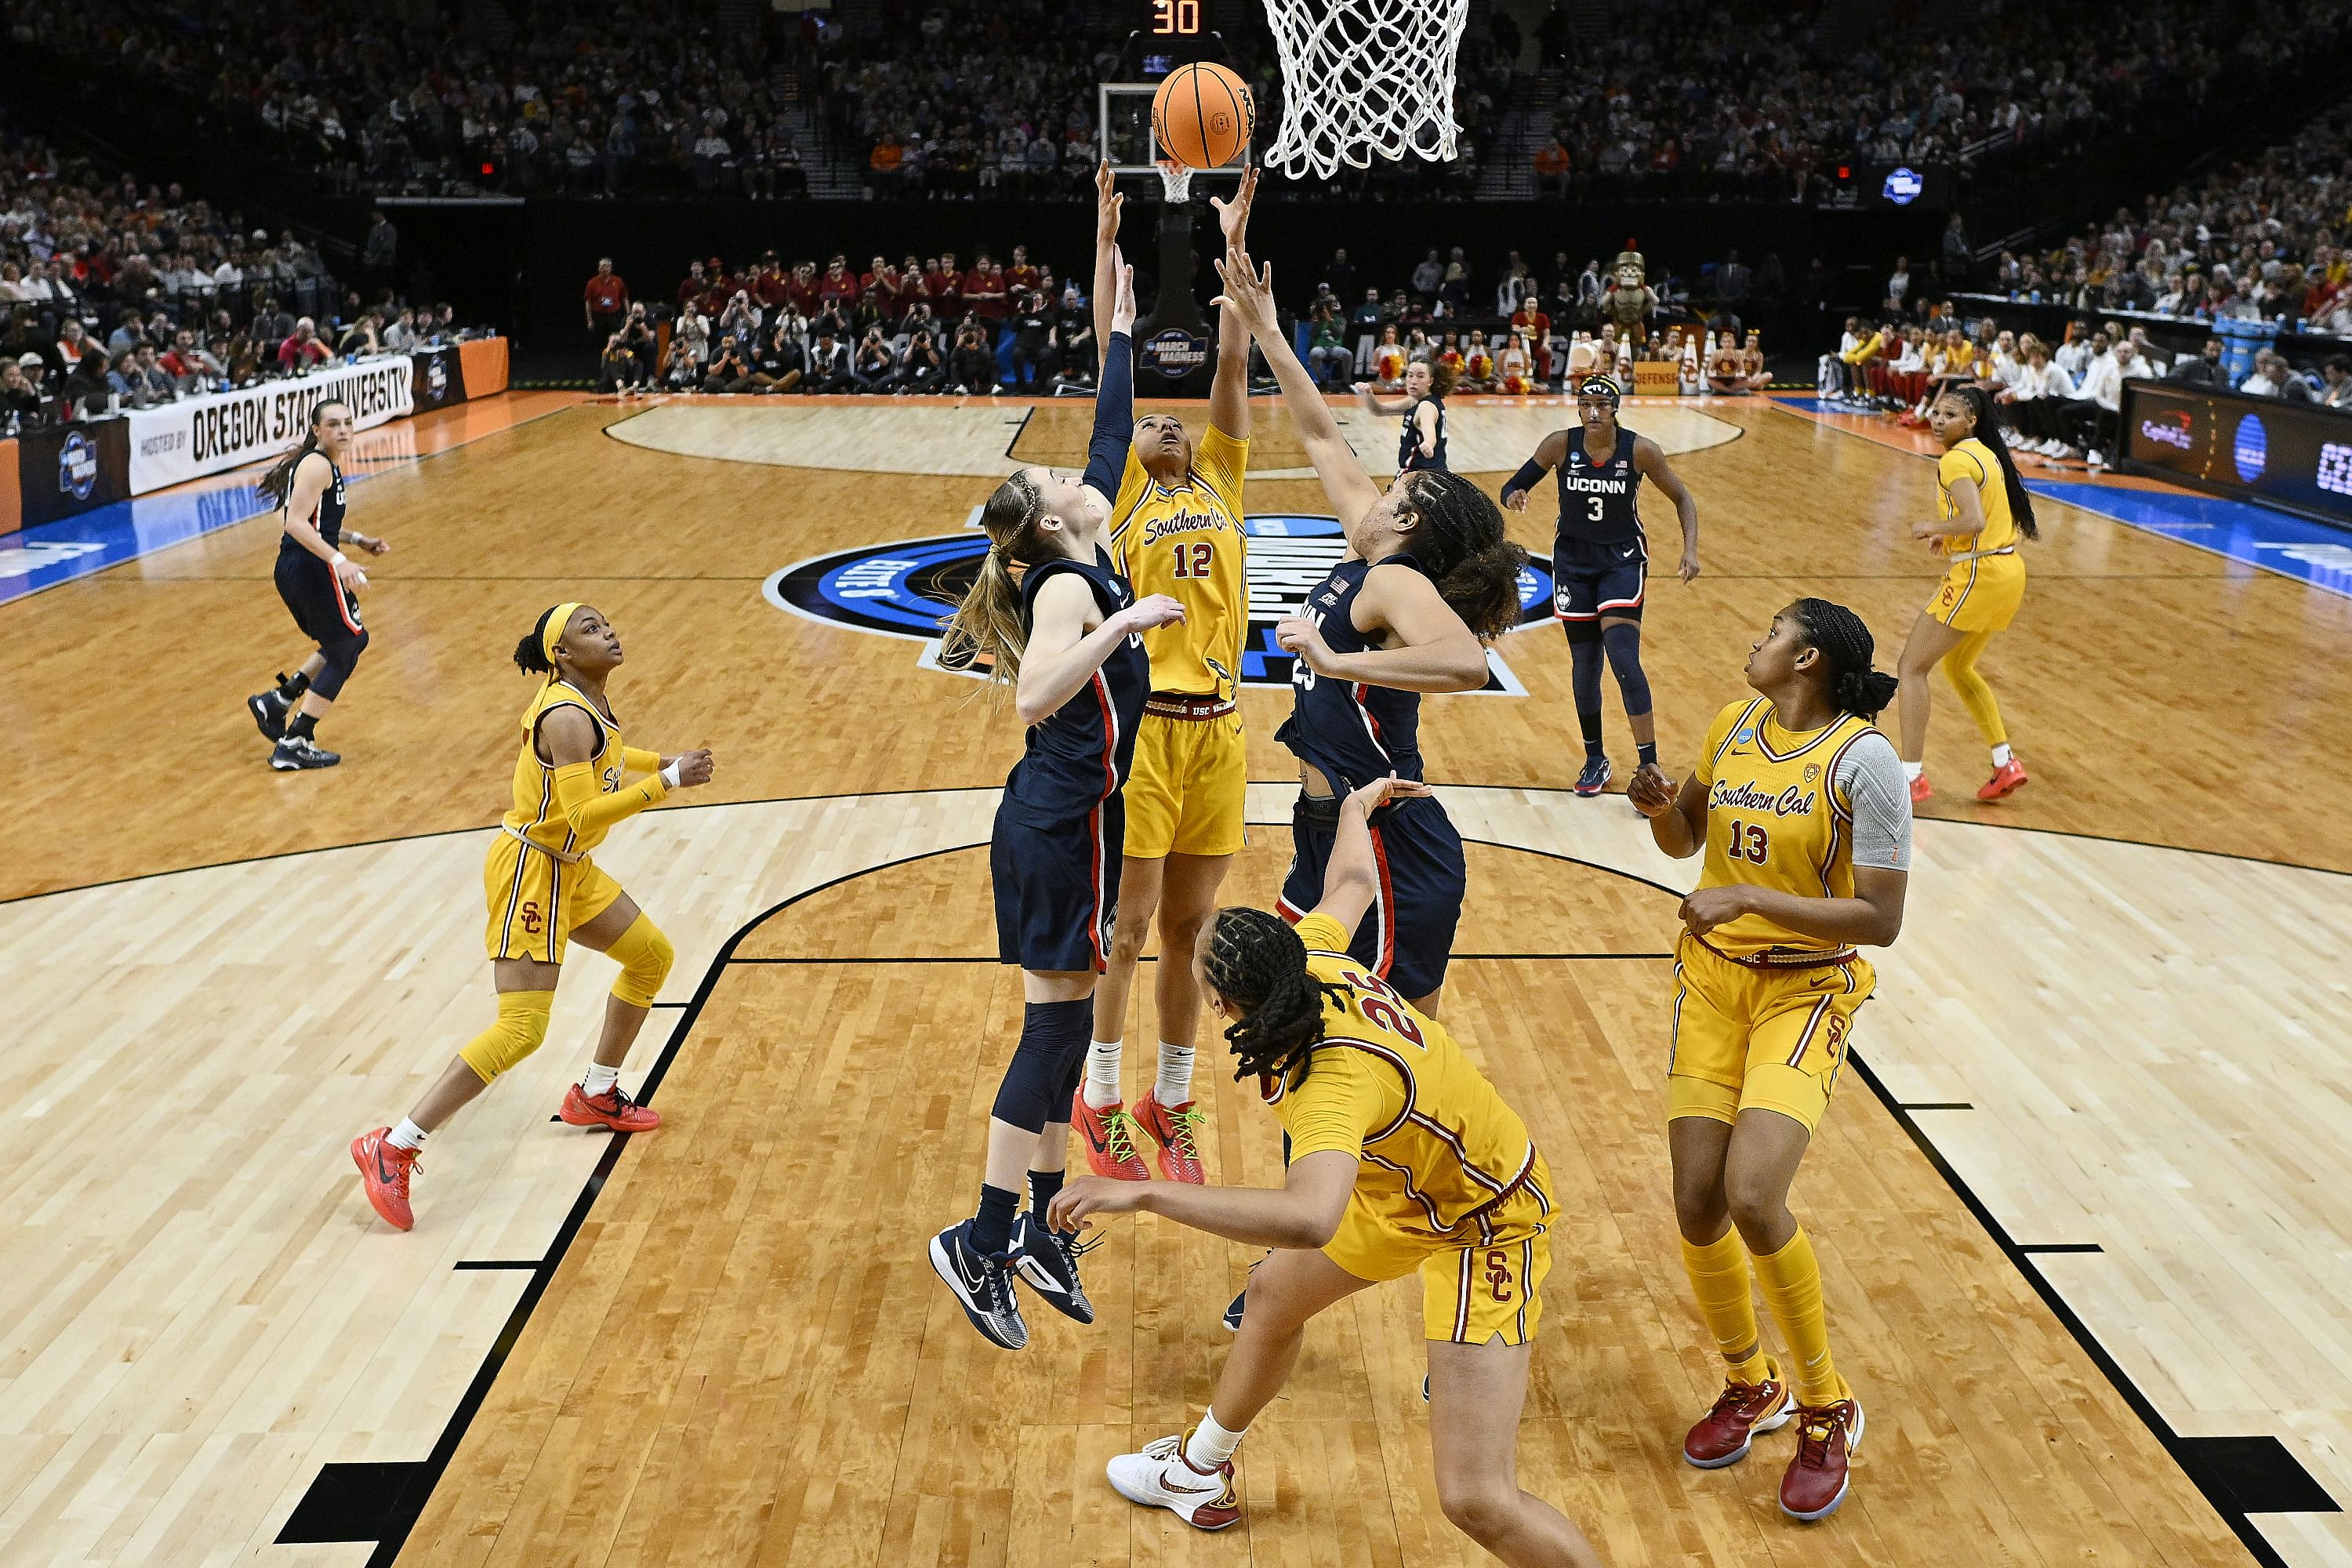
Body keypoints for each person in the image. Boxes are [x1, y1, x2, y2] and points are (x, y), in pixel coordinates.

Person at [1051, 775, 1604, 1568]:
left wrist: (1139, 1189)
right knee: (1274, 1293)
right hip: (1408, 1188)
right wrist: (1350, 810)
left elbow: (1311, 1214)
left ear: (1225, 1010)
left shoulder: (1329, 1083)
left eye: (1202, 974)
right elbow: (1350, 882)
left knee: (1475, 1497)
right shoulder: (1308, 955)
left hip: (1486, 1225)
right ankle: (1199, 1471)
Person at [926, 256, 1189, 1351]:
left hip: (1073, 818)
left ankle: (1036, 1226)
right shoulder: (1072, 585)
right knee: (1051, 1036)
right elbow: (1033, 695)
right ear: (1044, 527)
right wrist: (1125, 629)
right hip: (1055, 818)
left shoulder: (1087, 545)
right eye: (1048, 484)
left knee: (1070, 1026)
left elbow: (1107, 440)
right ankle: (981, 1239)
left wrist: (1120, 335)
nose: (1071, 475)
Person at [1627, 596, 1909, 1523]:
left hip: (1803, 989)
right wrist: (1663, 808)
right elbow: (1685, 840)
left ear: (1809, 658)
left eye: (1771, 633)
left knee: (1754, 1194)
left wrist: (1750, 895)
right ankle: (1752, 1381)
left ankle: (1827, 1403)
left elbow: (1881, 918)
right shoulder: (1734, 722)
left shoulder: (1864, 763)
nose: (1754, 641)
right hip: (1712, 986)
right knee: (1696, 1197)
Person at [1215, 242, 1526, 1018]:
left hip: (1389, 838)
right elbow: (1322, 436)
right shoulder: (1374, 544)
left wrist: (1333, 655)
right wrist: (1267, 329)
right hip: (1327, 829)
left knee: (1388, 1048)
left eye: (1392, 488)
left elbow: (1465, 664)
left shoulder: (1393, 579)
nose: (1375, 492)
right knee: (1305, 1027)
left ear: (1407, 518)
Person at [350, 604, 716, 1230]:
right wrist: (671, 783)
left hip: (568, 869)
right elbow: (582, 815)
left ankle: (596, 1094)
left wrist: (657, 763)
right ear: (564, 655)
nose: (608, 632)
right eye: (590, 630)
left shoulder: (586, 698)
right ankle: (396, 1145)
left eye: (605, 623)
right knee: (522, 1027)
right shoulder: (568, 715)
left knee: (651, 956)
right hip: (533, 872)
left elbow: (612, 752)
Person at [1080, 163, 1258, 1189]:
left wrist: (1232, 238)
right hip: (1150, 736)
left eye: (1175, 421)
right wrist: (1106, 241)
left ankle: (1171, 1098)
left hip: (1223, 733)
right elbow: (1111, 377)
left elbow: (1233, 355)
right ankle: (1101, 1095)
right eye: (1154, 422)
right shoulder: (1119, 514)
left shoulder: (1224, 480)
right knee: (1133, 924)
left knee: (1193, 932)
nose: (1167, 423)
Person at [1501, 373, 1701, 797]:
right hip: (1573, 564)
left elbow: (1683, 498)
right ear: (1578, 407)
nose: (1594, 412)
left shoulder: (1641, 450)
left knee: (1624, 659)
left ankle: (1650, 764)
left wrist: (1690, 551)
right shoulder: (1560, 444)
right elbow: (1512, 484)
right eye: (1586, 404)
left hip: (1622, 561)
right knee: (1585, 667)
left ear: (1615, 409)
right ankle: (1595, 758)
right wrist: (1515, 494)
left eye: (1602, 406)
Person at [1896, 385, 2036, 803]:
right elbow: (1988, 515)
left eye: (1949, 415)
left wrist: (1933, 527)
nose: (1938, 421)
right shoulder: (1987, 453)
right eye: (1936, 413)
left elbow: (1973, 519)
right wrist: (1952, 540)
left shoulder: (1956, 461)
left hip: (1980, 574)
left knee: (1911, 667)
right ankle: (2004, 761)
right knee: (1959, 668)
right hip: (2008, 570)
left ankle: (1911, 778)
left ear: (1971, 421)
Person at [245, 402, 390, 771]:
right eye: (333, 424)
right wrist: (338, 561)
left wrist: (356, 539)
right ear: (316, 430)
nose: (342, 430)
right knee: (345, 647)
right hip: (309, 567)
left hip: (304, 565)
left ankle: (279, 699)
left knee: (351, 639)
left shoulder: (324, 464)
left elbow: (315, 521)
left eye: (347, 423)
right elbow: (294, 523)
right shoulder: (317, 464)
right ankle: (296, 739)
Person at [1359, 358, 1453, 473]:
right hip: (1433, 471)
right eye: (1410, 375)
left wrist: (1428, 444)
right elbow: (1379, 410)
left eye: (1420, 376)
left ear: (1430, 381)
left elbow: (1430, 433)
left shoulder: (1426, 407)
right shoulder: (1413, 401)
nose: (1413, 381)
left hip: (1421, 474)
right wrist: (1368, 393)